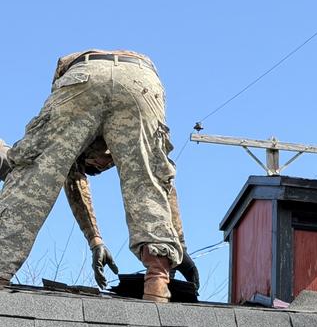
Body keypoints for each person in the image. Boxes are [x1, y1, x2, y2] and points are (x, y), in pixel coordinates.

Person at [0, 50, 198, 302]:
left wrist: (181, 248)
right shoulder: (105, 147)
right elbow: (159, 182)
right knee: (150, 173)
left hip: (84, 77)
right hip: (140, 81)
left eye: (92, 168)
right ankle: (157, 280)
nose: (96, 169)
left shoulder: (84, 142)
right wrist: (174, 245)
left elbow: (67, 177)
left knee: (34, 168)